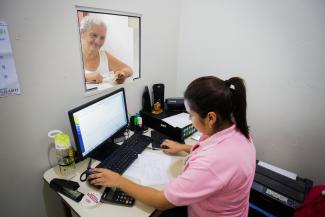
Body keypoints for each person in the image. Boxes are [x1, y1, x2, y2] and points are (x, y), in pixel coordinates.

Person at [89, 76, 256, 217]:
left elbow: (161, 202)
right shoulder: (236, 130)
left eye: (191, 115)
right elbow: (210, 150)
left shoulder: (212, 163)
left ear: (210, 118)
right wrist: (182, 147)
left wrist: (118, 181)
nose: (190, 120)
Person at [79, 15, 133, 84]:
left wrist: (122, 73)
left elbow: (129, 69)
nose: (98, 42)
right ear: (82, 33)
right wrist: (86, 78)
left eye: (102, 38)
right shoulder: (72, 56)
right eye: (94, 35)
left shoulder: (104, 56)